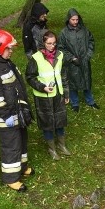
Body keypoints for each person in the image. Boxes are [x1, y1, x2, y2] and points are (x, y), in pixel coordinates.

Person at [0, 29, 34, 192]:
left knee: (22, 140)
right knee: (11, 145)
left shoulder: (5, 62)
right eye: (8, 48)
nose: (11, 51)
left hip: (17, 111)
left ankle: (22, 167)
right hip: (6, 115)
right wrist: (6, 115)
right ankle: (11, 178)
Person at [26, 30, 71, 159]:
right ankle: (52, 149)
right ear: (43, 43)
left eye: (54, 43)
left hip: (58, 94)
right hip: (43, 97)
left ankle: (62, 146)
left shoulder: (60, 55)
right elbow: (30, 77)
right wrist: (42, 87)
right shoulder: (35, 58)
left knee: (60, 120)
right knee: (47, 123)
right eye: (49, 43)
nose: (52, 46)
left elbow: (63, 75)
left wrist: (66, 93)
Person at [58, 8, 99, 112]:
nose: (75, 22)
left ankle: (90, 101)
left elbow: (91, 42)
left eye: (76, 19)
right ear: (69, 20)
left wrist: (88, 55)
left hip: (85, 60)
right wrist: (71, 58)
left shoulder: (84, 30)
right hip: (72, 63)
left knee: (86, 80)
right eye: (73, 20)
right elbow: (61, 48)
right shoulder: (64, 33)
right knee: (73, 82)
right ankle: (75, 103)